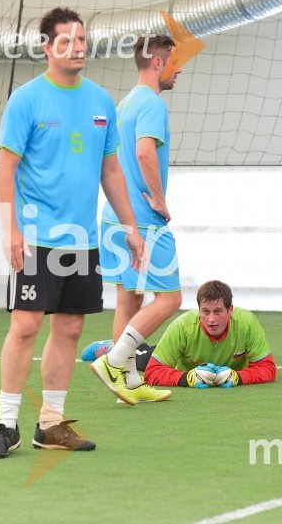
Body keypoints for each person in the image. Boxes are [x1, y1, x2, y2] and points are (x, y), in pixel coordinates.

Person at [0, 7, 145, 459]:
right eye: (66, 41)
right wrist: (10, 229)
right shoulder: (26, 100)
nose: (77, 48)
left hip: (83, 240)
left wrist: (130, 228)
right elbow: (5, 168)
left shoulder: (101, 102)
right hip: (36, 237)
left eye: (81, 40)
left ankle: (51, 425)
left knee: (70, 329)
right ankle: (7, 425)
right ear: (46, 48)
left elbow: (111, 172)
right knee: (25, 325)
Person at [91, 35, 184, 405]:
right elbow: (145, 152)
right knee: (171, 298)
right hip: (143, 220)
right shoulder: (152, 103)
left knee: (128, 300)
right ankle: (114, 362)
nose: (180, 69)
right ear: (158, 63)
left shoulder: (125, 103)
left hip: (113, 217)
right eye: (175, 61)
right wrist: (160, 199)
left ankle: (127, 383)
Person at [83, 280, 276, 389]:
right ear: (198, 310)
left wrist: (238, 377)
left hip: (226, 370)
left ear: (230, 310)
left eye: (218, 311)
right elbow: (152, 372)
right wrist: (188, 378)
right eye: (205, 312)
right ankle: (113, 346)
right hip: (179, 364)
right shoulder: (183, 326)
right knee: (141, 357)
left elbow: (268, 368)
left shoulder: (247, 323)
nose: (211, 319)